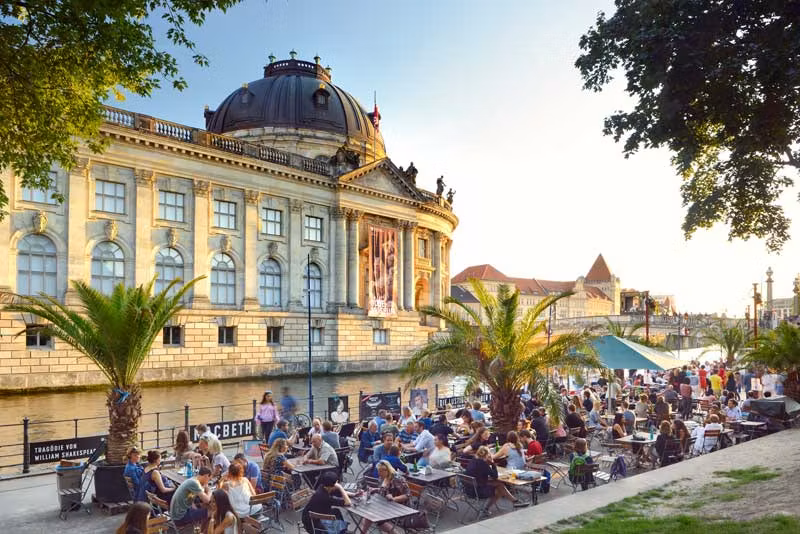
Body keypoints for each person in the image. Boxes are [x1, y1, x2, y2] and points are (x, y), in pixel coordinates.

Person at [465, 446, 527, 514]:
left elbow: (481, 475)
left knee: (499, 485)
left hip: (469, 488)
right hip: (477, 491)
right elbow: (495, 476)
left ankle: (514, 502)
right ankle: (514, 502)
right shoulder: (483, 464)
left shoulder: (473, 461)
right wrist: (492, 463)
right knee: (499, 487)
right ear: (487, 455)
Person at [361, 460, 412, 533]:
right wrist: (375, 489)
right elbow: (385, 490)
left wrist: (394, 499)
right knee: (369, 514)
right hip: (386, 505)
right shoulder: (383, 477)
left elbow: (408, 495)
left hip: (400, 507)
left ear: (387, 470)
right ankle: (363, 532)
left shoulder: (397, 479)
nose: (379, 473)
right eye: (378, 471)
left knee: (374, 517)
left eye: (381, 471)